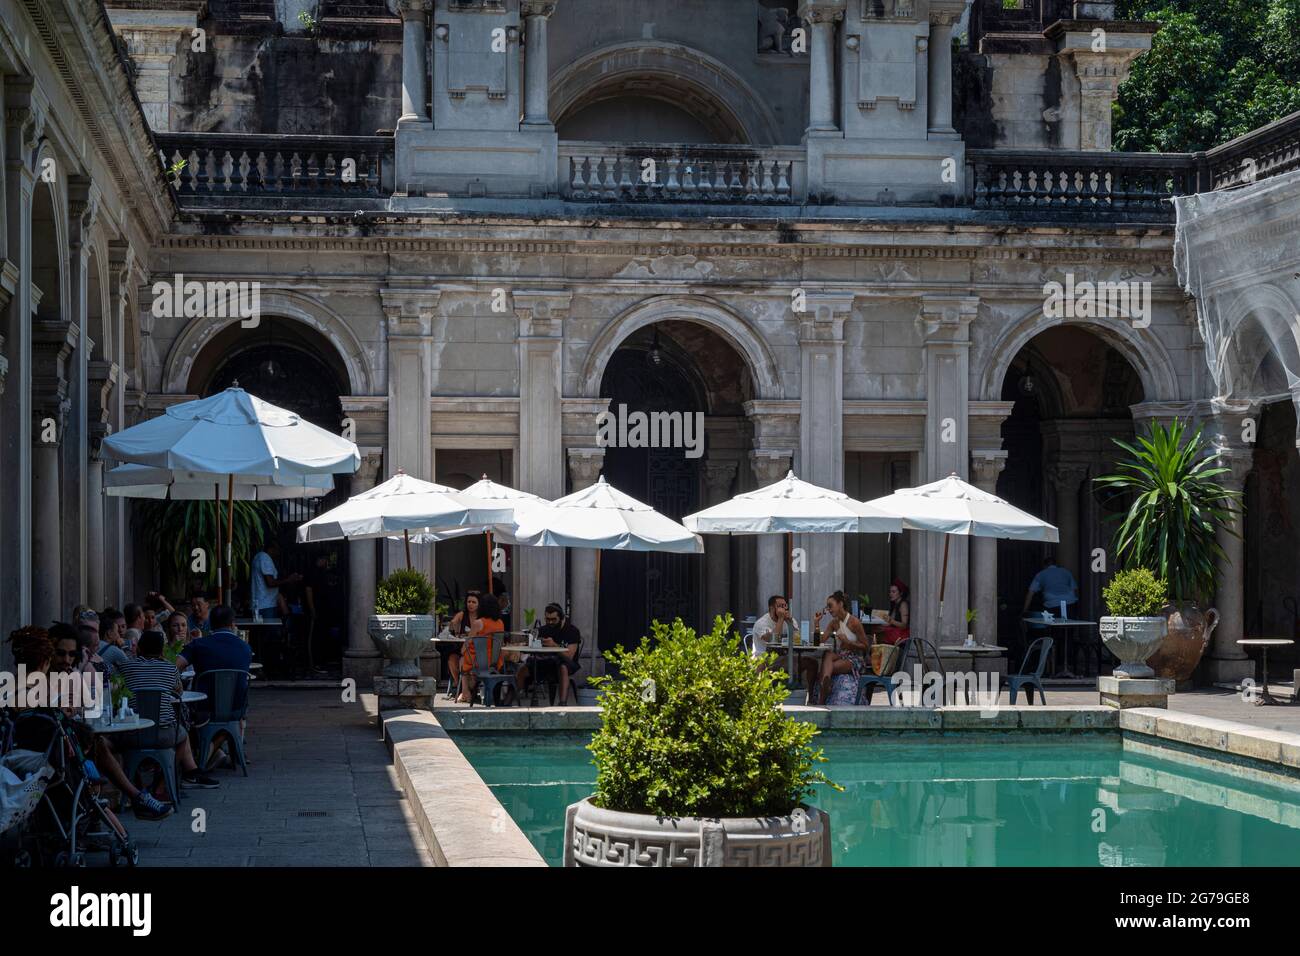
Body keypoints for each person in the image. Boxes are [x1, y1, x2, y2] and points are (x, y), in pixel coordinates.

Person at [47, 626, 173, 820]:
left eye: (72, 654)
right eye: (61, 654)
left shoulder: (69, 675)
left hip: (71, 744)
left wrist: (74, 708)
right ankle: (138, 796)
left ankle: (134, 797)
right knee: (99, 745)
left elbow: (81, 705)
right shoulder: (39, 680)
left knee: (99, 744)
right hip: (53, 753)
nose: (67, 660)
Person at [117, 630, 219, 789]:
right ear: (161, 650)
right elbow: (178, 692)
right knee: (183, 735)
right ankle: (163, 782)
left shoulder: (126, 667)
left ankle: (134, 783)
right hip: (163, 733)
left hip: (132, 732)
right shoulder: (170, 668)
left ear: (139, 648)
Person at [176, 604, 253, 726]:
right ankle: (221, 741)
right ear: (233, 624)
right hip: (236, 709)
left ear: (210, 623)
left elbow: (174, 667)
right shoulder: (245, 648)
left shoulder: (198, 645)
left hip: (203, 708)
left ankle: (207, 744)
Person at [514, 603, 581, 704]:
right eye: (547, 619)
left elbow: (569, 656)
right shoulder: (544, 630)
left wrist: (554, 645)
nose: (550, 622)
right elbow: (531, 643)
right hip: (547, 661)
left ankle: (562, 704)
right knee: (523, 669)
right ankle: (510, 700)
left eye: (554, 619)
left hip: (566, 662)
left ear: (561, 617)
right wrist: (527, 643)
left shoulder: (572, 631)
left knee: (563, 667)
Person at [815, 590, 873, 704]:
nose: (829, 610)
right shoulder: (834, 623)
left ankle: (823, 691)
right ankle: (825, 683)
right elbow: (820, 641)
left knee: (828, 668)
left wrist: (848, 642)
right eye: (827, 607)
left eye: (830, 606)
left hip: (854, 658)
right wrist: (816, 623)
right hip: (841, 655)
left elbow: (866, 646)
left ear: (840, 604)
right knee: (827, 654)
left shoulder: (854, 622)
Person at [752, 594, 820, 689]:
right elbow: (772, 640)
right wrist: (780, 619)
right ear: (772, 608)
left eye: (785, 606)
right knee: (761, 665)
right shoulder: (762, 623)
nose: (784, 609)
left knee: (812, 662)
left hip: (783, 658)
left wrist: (789, 622)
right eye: (780, 606)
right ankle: (760, 696)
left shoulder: (788, 620)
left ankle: (811, 696)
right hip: (764, 658)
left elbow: (798, 638)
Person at [457, 593, 505, 704]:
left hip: (480, 661)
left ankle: (465, 692)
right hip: (495, 661)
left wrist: (462, 650)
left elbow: (468, 643)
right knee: (465, 660)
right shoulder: (500, 623)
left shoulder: (478, 623)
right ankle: (468, 691)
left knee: (462, 659)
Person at [250, 539, 301, 621]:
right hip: (266, 605)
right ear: (271, 549)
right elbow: (270, 583)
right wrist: (289, 580)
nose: (278, 553)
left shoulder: (258, 556)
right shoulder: (265, 558)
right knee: (270, 631)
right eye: (277, 550)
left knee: (262, 632)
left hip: (260, 604)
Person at [440, 590, 482, 686]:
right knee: (452, 658)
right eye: (469, 602)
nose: (470, 604)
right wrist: (454, 627)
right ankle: (458, 683)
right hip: (462, 647)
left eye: (474, 602)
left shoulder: (481, 618)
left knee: (465, 660)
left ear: (479, 604)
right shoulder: (462, 614)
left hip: (477, 650)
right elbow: (452, 623)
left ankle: (467, 686)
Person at [96, 608, 130, 674]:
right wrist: (123, 647)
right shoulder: (114, 650)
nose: (119, 634)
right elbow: (130, 668)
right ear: (109, 633)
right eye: (116, 631)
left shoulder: (93, 646)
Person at [880, 579, 910, 646]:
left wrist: (891, 620)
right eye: (890, 592)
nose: (890, 594)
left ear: (901, 593)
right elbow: (890, 623)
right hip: (895, 631)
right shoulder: (896, 604)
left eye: (893, 592)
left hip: (902, 635)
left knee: (881, 634)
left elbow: (904, 625)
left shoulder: (903, 605)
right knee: (877, 630)